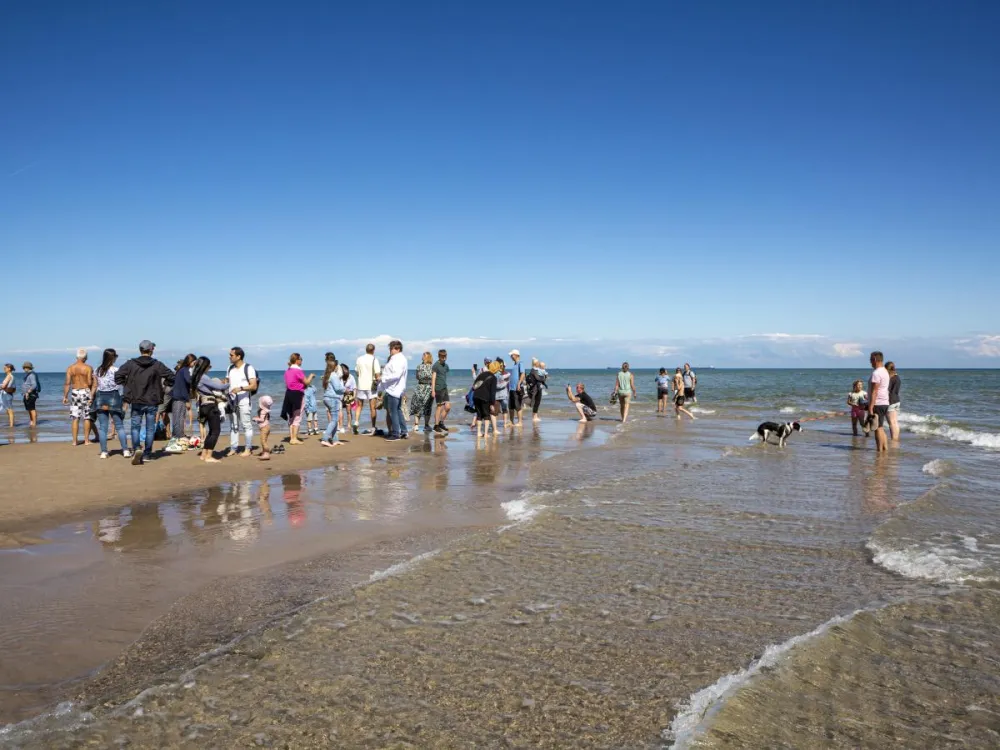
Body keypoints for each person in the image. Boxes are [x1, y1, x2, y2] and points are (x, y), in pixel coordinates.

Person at [115, 340, 175, 465]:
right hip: (151, 401)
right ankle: (147, 453)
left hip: (136, 399)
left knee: (135, 427)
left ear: (140, 350)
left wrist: (129, 386)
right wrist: (164, 387)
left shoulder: (131, 364)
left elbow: (118, 376)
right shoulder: (157, 365)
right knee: (149, 428)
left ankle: (137, 449)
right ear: (151, 350)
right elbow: (172, 377)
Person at [90, 348, 131, 458]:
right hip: (114, 396)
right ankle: (125, 450)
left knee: (103, 427)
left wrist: (90, 397)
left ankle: (104, 452)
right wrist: (126, 399)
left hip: (100, 397)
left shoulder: (97, 370)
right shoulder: (117, 370)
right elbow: (124, 385)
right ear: (113, 358)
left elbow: (95, 386)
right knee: (119, 426)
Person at [192, 356, 227, 463]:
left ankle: (203, 454)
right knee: (216, 431)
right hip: (210, 405)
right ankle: (209, 456)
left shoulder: (196, 377)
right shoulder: (203, 377)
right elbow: (220, 387)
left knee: (211, 431)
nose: (209, 368)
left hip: (203, 405)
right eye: (209, 366)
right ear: (204, 366)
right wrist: (233, 384)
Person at [226, 347, 258, 457]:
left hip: (244, 400)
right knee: (233, 425)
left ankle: (248, 448)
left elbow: (254, 386)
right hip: (231, 401)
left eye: (231, 355)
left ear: (239, 356)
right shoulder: (230, 368)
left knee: (246, 425)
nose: (229, 357)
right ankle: (233, 448)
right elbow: (227, 382)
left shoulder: (248, 368)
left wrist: (240, 389)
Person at [377, 340, 408, 441]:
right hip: (395, 388)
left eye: (392, 348)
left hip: (394, 389)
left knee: (393, 412)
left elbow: (396, 374)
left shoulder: (398, 359)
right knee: (398, 410)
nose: (390, 350)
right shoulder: (397, 358)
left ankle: (395, 434)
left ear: (397, 349)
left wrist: (383, 378)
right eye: (390, 348)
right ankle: (403, 432)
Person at [63, 348, 95, 445]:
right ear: (85, 357)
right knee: (87, 417)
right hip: (85, 391)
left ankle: (74, 441)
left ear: (77, 356)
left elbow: (67, 383)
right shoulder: (88, 368)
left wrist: (65, 396)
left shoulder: (70, 368)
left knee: (75, 417)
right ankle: (86, 440)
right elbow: (89, 382)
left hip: (75, 392)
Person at [280, 352, 314, 445]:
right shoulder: (298, 371)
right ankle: (294, 438)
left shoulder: (288, 371)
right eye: (301, 359)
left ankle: (292, 437)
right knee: (297, 416)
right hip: (297, 394)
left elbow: (290, 383)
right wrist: (311, 376)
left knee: (291, 416)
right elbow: (306, 382)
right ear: (297, 360)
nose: (302, 361)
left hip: (288, 394)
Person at [355, 343, 382, 434]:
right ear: (373, 350)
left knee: (359, 406)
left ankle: (356, 422)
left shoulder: (359, 359)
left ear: (366, 350)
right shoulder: (374, 359)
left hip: (361, 385)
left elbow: (357, 372)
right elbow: (377, 374)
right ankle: (373, 427)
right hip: (371, 386)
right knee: (372, 408)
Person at [319, 358, 345, 447]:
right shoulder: (333, 375)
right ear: (334, 367)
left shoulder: (327, 375)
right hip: (333, 399)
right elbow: (338, 388)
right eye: (337, 366)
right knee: (334, 420)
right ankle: (325, 439)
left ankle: (335, 439)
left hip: (327, 398)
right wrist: (346, 390)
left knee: (334, 419)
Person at [868, 351, 890, 452]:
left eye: (871, 360)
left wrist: (870, 406)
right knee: (881, 427)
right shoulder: (885, 371)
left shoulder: (876, 373)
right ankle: (884, 448)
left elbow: (874, 391)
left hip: (878, 403)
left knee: (878, 428)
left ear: (875, 360)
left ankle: (879, 450)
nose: (870, 362)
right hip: (885, 402)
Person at [170, 354, 196, 438]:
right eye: (194, 362)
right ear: (190, 361)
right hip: (178, 397)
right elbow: (188, 381)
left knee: (180, 418)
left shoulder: (182, 370)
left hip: (179, 397)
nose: (195, 364)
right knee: (178, 418)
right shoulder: (185, 370)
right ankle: (177, 437)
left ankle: (179, 436)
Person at [410, 352, 435, 433]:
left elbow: (417, 377)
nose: (422, 356)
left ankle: (416, 425)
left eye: (423, 355)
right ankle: (426, 425)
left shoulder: (419, 366)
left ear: (425, 357)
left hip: (420, 387)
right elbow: (434, 379)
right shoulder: (433, 367)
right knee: (427, 407)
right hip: (429, 388)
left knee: (418, 406)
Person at [472, 363, 498, 438]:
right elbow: (493, 392)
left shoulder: (481, 374)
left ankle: (479, 433)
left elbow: (474, 386)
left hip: (476, 396)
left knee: (479, 415)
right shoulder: (493, 377)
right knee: (486, 415)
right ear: (495, 369)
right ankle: (486, 434)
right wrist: (492, 403)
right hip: (484, 397)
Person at [431, 349, 451, 433]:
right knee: (439, 407)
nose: (444, 358)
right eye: (442, 356)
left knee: (448, 407)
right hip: (438, 388)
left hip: (444, 388)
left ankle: (441, 423)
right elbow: (433, 378)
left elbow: (444, 374)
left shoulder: (446, 366)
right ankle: (436, 425)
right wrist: (433, 390)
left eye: (445, 356)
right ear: (439, 356)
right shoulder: (436, 365)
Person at [507, 349, 526, 427]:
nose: (511, 356)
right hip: (511, 388)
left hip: (517, 388)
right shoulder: (514, 364)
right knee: (511, 406)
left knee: (518, 406)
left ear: (516, 355)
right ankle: (511, 421)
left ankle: (520, 422)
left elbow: (523, 374)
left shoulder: (520, 363)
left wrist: (519, 383)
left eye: (512, 355)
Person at [254, 394, 274, 460]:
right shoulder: (266, 410)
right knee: (264, 440)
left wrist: (255, 419)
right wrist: (258, 418)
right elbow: (264, 419)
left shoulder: (263, 411)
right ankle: (264, 452)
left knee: (263, 441)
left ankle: (266, 454)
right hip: (267, 426)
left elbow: (262, 419)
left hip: (264, 427)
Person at [21, 362, 40, 428]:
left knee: (32, 409)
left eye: (25, 367)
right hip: (27, 394)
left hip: (31, 394)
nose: (24, 369)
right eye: (24, 367)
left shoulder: (31, 375)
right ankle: (31, 421)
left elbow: (34, 385)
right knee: (29, 409)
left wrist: (28, 392)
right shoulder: (28, 374)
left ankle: (34, 423)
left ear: (28, 368)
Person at [886, 361, 901, 441]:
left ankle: (893, 440)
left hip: (890, 401)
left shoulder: (890, 378)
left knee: (891, 423)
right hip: (897, 400)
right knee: (895, 422)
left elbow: (887, 390)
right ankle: (896, 439)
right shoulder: (897, 377)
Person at [494, 357, 510, 430]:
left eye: (503, 366)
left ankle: (504, 424)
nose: (503, 367)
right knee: (496, 411)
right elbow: (504, 384)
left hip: (503, 394)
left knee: (504, 410)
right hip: (497, 395)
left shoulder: (505, 373)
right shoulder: (504, 374)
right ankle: (496, 426)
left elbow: (506, 385)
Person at [1, 363, 15, 428]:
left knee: (9, 409)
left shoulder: (9, 376)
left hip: (7, 394)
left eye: (5, 368)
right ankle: (11, 424)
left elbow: (3, 386)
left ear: (9, 369)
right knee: (8, 409)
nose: (4, 369)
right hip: (6, 394)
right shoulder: (9, 376)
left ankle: (11, 425)